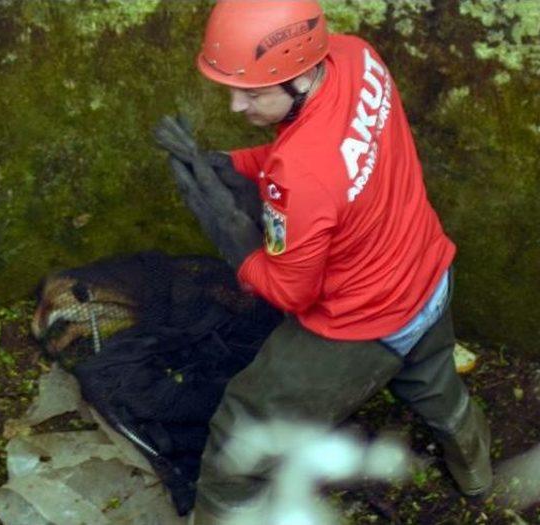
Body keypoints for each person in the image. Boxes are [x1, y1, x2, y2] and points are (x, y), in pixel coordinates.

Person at [155, 1, 492, 523]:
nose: (235, 106)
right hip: (426, 276)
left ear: (297, 78)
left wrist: (237, 244)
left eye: (251, 91)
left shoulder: (305, 176)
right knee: (433, 385)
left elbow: (293, 293)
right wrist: (233, 165)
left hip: (362, 325)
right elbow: (327, 150)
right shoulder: (356, 58)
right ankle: (477, 476)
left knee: (240, 434)